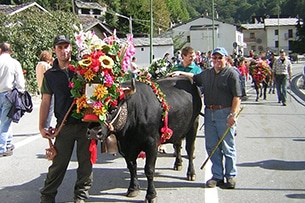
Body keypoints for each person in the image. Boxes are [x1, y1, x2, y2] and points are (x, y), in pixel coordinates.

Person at [168, 47, 242, 189]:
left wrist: (233, 114)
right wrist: (179, 73)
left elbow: (237, 97)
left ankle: (230, 176)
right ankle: (217, 176)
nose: (217, 61)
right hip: (209, 112)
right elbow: (194, 78)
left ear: (225, 59)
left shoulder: (231, 74)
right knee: (212, 146)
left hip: (225, 112)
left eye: (220, 58)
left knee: (227, 146)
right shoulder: (207, 74)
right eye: (214, 58)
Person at [39, 35, 93, 203]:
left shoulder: (83, 71)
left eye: (66, 46)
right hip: (64, 126)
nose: (64, 50)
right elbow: (46, 101)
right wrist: (42, 126)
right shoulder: (50, 75)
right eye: (60, 47)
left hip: (86, 125)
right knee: (58, 165)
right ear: (54, 50)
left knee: (86, 165)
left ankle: (81, 198)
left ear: (71, 48)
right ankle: (47, 197)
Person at [158, 46, 202, 154]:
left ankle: (191, 150)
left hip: (191, 102)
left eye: (193, 56)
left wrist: (181, 74)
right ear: (183, 56)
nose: (193, 58)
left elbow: (199, 81)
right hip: (178, 101)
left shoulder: (196, 69)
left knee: (192, 125)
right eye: (190, 56)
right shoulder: (176, 68)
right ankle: (177, 150)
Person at [0, 42, 25, 157]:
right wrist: (20, 92)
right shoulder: (14, 63)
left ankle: (8, 142)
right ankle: (2, 147)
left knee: (5, 120)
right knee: (6, 120)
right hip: (8, 94)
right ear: (10, 51)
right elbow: (20, 81)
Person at [35, 50, 54, 128]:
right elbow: (52, 73)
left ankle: (44, 124)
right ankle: (47, 125)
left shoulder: (38, 65)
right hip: (48, 89)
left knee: (45, 106)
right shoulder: (45, 65)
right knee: (49, 109)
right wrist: (53, 63)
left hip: (41, 88)